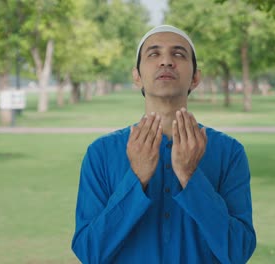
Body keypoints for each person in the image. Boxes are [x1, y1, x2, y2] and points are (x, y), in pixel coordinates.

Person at [71, 25, 256, 263]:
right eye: (154, 54)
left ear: (196, 77)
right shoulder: (101, 153)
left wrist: (191, 177)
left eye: (178, 54)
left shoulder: (229, 152)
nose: (166, 61)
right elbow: (90, 252)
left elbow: (237, 251)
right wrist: (136, 178)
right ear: (137, 76)